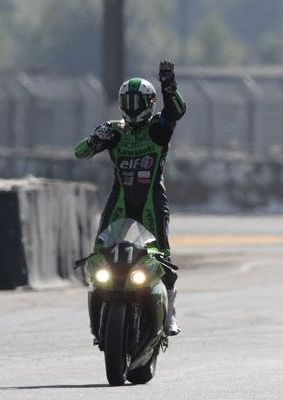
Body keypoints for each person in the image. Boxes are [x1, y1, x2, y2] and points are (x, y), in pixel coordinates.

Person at [74, 60, 186, 337]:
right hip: (121, 198)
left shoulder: (158, 129)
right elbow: (80, 153)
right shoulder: (114, 130)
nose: (133, 107)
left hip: (151, 200)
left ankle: (169, 313)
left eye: (139, 101)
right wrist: (93, 138)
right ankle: (99, 307)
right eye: (128, 101)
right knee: (100, 251)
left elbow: (176, 111)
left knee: (164, 258)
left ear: (150, 102)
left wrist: (169, 84)